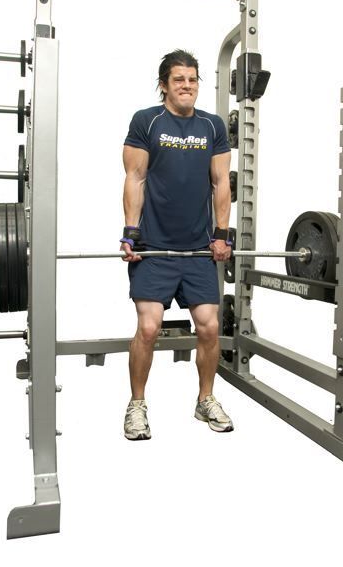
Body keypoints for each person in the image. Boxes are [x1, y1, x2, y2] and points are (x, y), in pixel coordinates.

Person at [120, 49, 234, 440]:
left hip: (199, 248)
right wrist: (130, 232)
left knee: (210, 327)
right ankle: (137, 404)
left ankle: (206, 399)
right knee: (148, 328)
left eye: (193, 79)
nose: (187, 85)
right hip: (154, 247)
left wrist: (222, 235)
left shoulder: (213, 126)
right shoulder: (146, 121)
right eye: (179, 79)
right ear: (164, 85)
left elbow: (222, 183)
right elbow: (135, 177)